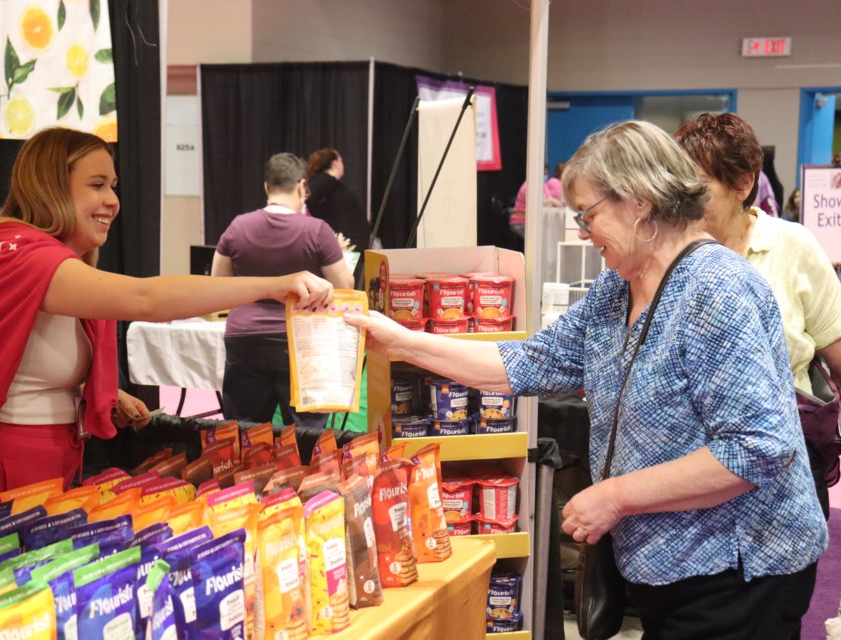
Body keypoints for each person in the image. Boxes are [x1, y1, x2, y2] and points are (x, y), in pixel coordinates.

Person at [345, 121, 827, 639]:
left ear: (640, 201)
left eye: (588, 214)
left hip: (739, 573)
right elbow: (524, 363)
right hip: (673, 572)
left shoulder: (717, 289)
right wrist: (400, 342)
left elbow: (756, 449)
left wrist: (616, 496)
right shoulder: (618, 288)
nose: (581, 231)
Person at [0, 129, 333, 511]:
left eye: (113, 185)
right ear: (51, 187)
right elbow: (145, 299)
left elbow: (31, 366)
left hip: (45, 461)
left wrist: (102, 395)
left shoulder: (49, 257)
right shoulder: (22, 255)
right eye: (97, 185)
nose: (113, 200)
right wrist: (271, 286)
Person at [675, 112, 841, 517]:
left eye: (700, 184)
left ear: (744, 183)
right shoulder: (668, 253)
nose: (684, 197)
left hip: (787, 466)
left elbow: (837, 353)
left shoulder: (791, 245)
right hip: (689, 467)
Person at [213, 152, 353, 428]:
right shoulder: (317, 231)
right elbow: (344, 285)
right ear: (302, 186)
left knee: (243, 431)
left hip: (245, 340)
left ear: (267, 187)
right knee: (305, 433)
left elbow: (218, 284)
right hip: (301, 341)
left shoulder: (237, 227)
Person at [305, 148, 371, 254]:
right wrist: (322, 222)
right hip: (345, 249)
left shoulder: (331, 183)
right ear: (335, 163)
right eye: (341, 160)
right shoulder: (324, 179)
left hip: (350, 248)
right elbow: (308, 198)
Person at [510, 162, 564, 239]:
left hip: (532, 221)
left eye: (546, 173)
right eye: (543, 173)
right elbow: (536, 203)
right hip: (521, 221)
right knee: (542, 237)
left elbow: (548, 197)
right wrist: (551, 201)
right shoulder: (529, 185)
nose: (545, 175)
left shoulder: (543, 185)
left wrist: (551, 200)